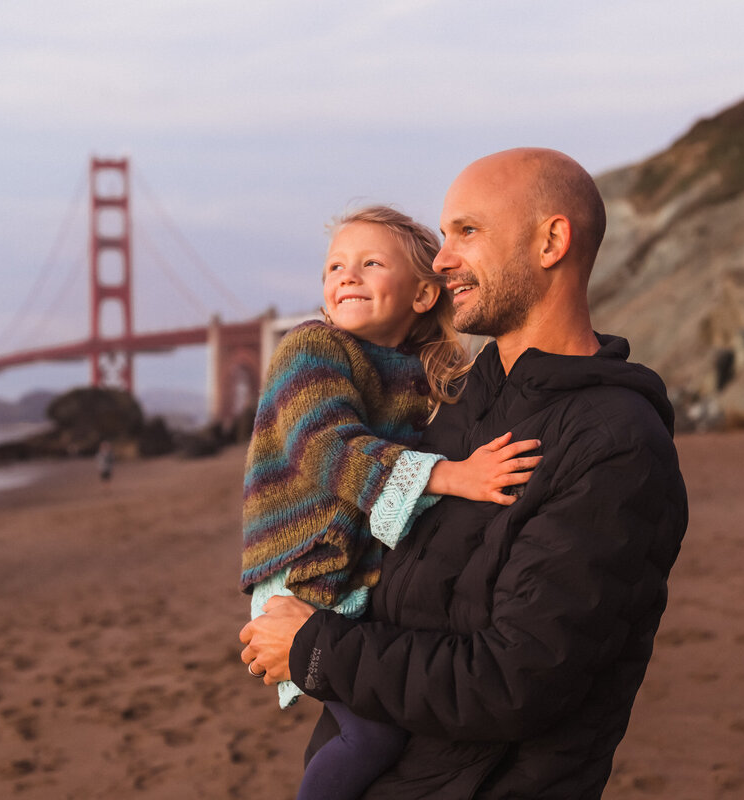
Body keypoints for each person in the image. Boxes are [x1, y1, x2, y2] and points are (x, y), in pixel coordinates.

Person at [240, 149, 690, 798]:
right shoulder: (464, 402)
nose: (443, 258)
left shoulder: (615, 444)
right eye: (444, 235)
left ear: (552, 241)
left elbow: (513, 680)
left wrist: (317, 648)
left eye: (467, 232)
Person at [240, 205, 542, 800]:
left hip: (361, 571)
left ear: (425, 293)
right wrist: (453, 478)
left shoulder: (424, 369)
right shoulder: (310, 349)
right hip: (308, 573)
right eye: (335, 266)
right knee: (372, 738)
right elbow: (327, 449)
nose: (346, 276)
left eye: (370, 263)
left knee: (373, 711)